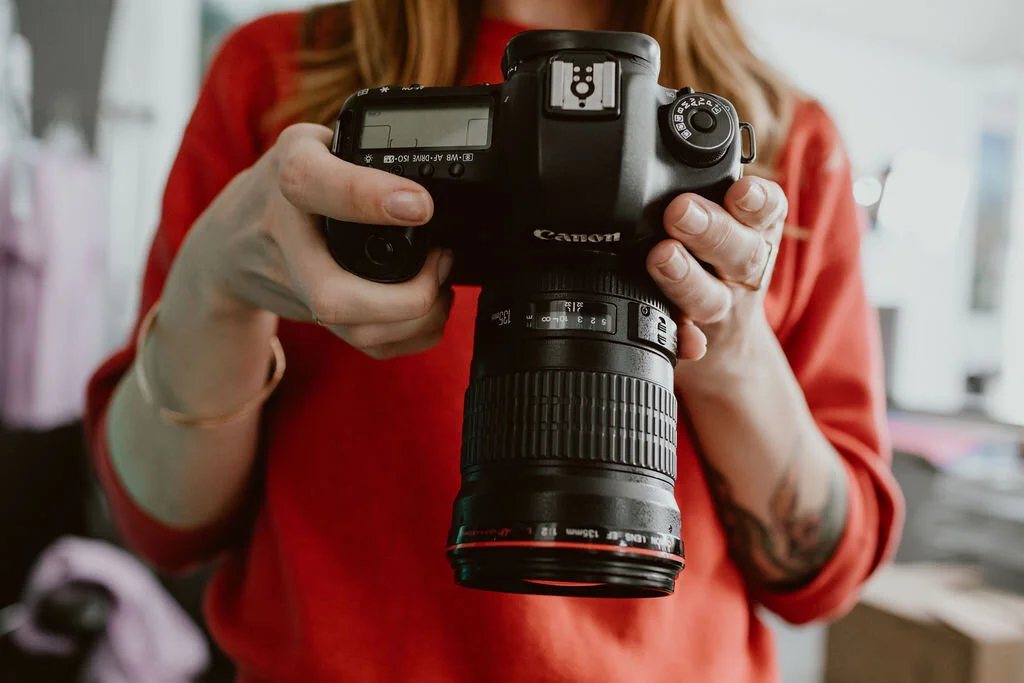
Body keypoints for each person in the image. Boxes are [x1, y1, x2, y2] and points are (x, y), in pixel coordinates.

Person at [85, 1, 904, 681]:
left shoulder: (789, 140)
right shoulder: (277, 78)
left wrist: (731, 355)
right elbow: (163, 527)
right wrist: (214, 289)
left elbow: (825, 573)